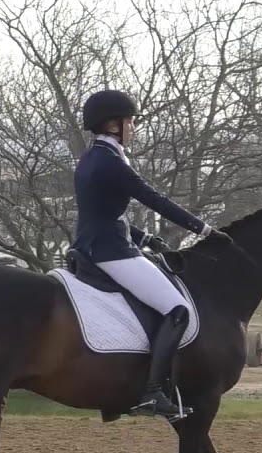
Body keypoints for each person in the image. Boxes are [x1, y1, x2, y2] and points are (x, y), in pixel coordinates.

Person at [73, 88, 233, 418]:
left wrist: (146, 238)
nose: (133, 128)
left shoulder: (91, 159)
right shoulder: (111, 162)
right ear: (113, 125)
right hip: (111, 251)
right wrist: (205, 230)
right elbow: (155, 199)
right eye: (130, 122)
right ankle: (151, 392)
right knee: (178, 309)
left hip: (100, 243)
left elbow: (101, 214)